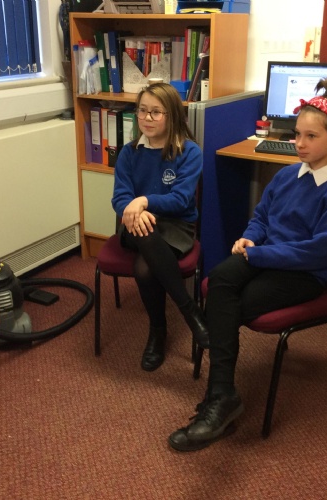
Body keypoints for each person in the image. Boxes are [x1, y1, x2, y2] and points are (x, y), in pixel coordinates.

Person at [168, 77, 327, 451]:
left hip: (307, 274)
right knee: (220, 277)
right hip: (269, 255)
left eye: (311, 137)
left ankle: (219, 397)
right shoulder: (289, 174)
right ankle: (223, 395)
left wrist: (258, 253)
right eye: (297, 135)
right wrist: (251, 237)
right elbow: (262, 215)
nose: (300, 144)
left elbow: (319, 253)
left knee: (231, 305)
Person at [111, 82, 208, 372]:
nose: (147, 118)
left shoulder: (189, 151)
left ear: (172, 115)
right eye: (142, 111)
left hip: (176, 225)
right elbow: (120, 198)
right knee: (144, 230)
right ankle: (190, 311)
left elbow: (180, 200)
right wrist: (134, 209)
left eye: (156, 112)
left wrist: (143, 201)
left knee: (144, 267)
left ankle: (158, 331)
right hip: (134, 224)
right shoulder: (129, 153)